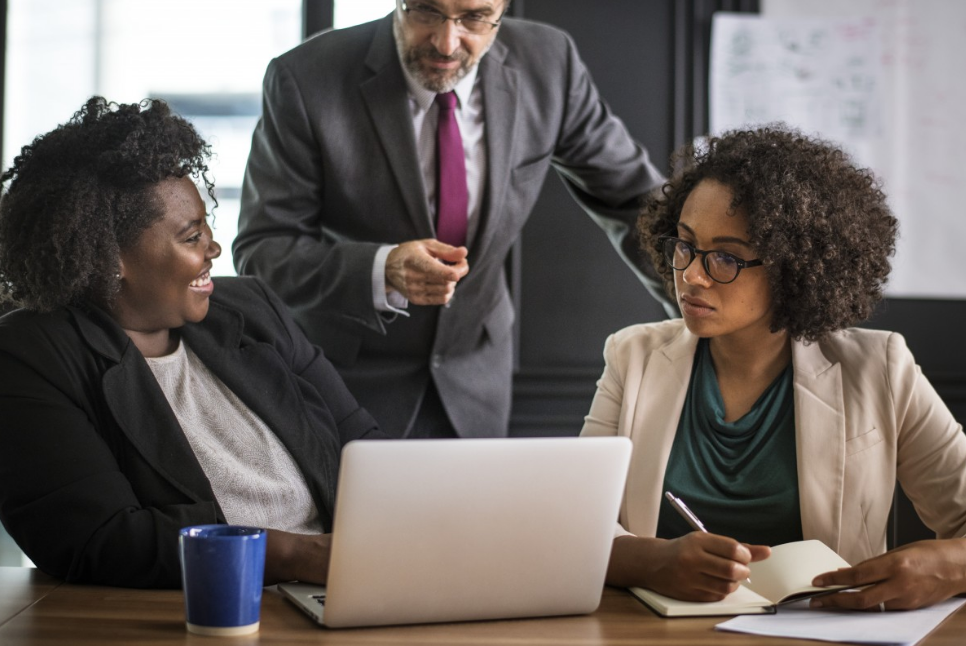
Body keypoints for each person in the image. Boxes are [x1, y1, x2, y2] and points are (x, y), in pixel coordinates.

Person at [233, 0, 674, 439]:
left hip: (477, 377)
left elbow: (637, 201)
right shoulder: (306, 77)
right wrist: (381, 269)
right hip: (345, 382)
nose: (447, 42)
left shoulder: (549, 63)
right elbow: (263, 250)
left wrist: (708, 311)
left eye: (475, 18)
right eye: (426, 10)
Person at [0, 97, 384, 589]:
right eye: (191, 236)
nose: (214, 250)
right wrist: (294, 556)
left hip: (343, 589)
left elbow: (364, 449)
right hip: (197, 609)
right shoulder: (32, 355)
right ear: (110, 258)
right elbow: (100, 537)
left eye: (207, 227)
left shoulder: (252, 309)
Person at [581, 125, 966, 610]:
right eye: (684, 245)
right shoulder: (631, 356)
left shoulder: (879, 369)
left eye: (726, 257)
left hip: (824, 636)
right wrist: (649, 560)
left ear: (794, 267)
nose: (692, 275)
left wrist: (949, 567)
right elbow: (577, 521)